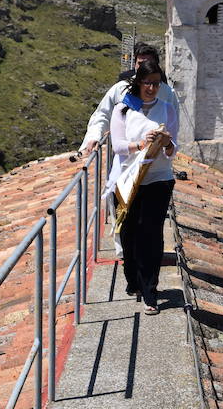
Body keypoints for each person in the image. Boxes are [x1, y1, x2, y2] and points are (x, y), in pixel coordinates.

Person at [106, 60, 178, 315]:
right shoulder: (123, 110)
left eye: (156, 84)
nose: (151, 88)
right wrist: (141, 143)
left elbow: (173, 150)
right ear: (138, 82)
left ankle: (150, 291)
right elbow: (118, 147)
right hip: (127, 179)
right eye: (147, 83)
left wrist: (167, 144)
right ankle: (133, 279)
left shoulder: (167, 109)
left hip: (159, 178)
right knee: (128, 233)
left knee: (151, 233)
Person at [78, 43, 178, 155]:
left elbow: (173, 129)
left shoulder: (168, 94)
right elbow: (103, 114)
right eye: (140, 63)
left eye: (148, 63)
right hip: (125, 157)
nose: (143, 67)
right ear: (135, 65)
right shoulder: (120, 89)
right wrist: (94, 136)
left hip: (155, 161)